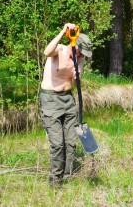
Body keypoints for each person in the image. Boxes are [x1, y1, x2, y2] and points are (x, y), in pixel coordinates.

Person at [39, 23, 92, 187]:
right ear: (74, 45)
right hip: (50, 100)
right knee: (57, 144)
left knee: (70, 142)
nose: (82, 56)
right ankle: (55, 180)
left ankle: (68, 175)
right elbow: (46, 52)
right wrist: (63, 31)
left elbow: (76, 85)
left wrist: (77, 78)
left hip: (68, 100)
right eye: (81, 51)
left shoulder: (80, 59)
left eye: (84, 54)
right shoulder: (59, 50)